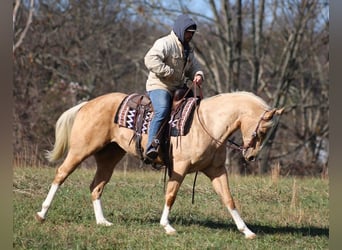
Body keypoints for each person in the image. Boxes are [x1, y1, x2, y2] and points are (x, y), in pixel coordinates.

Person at [144, 14, 204, 162]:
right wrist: (167, 72)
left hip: (178, 88)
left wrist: (198, 74)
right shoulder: (165, 43)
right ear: (180, 30)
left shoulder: (188, 50)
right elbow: (150, 59)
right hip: (159, 86)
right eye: (187, 32)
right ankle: (152, 145)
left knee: (197, 109)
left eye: (192, 33)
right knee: (163, 110)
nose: (190, 35)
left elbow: (194, 67)